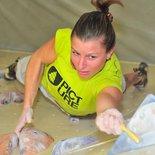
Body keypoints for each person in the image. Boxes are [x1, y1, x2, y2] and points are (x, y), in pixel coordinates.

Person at [2, 0, 148, 136]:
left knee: (122, 82)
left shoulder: (110, 78)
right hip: (45, 84)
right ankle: (15, 67)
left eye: (91, 57)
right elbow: (38, 59)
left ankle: (139, 76)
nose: (80, 65)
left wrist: (107, 113)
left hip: (82, 107)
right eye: (76, 53)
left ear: (109, 52)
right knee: (23, 67)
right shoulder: (64, 40)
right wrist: (27, 106)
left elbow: (108, 98)